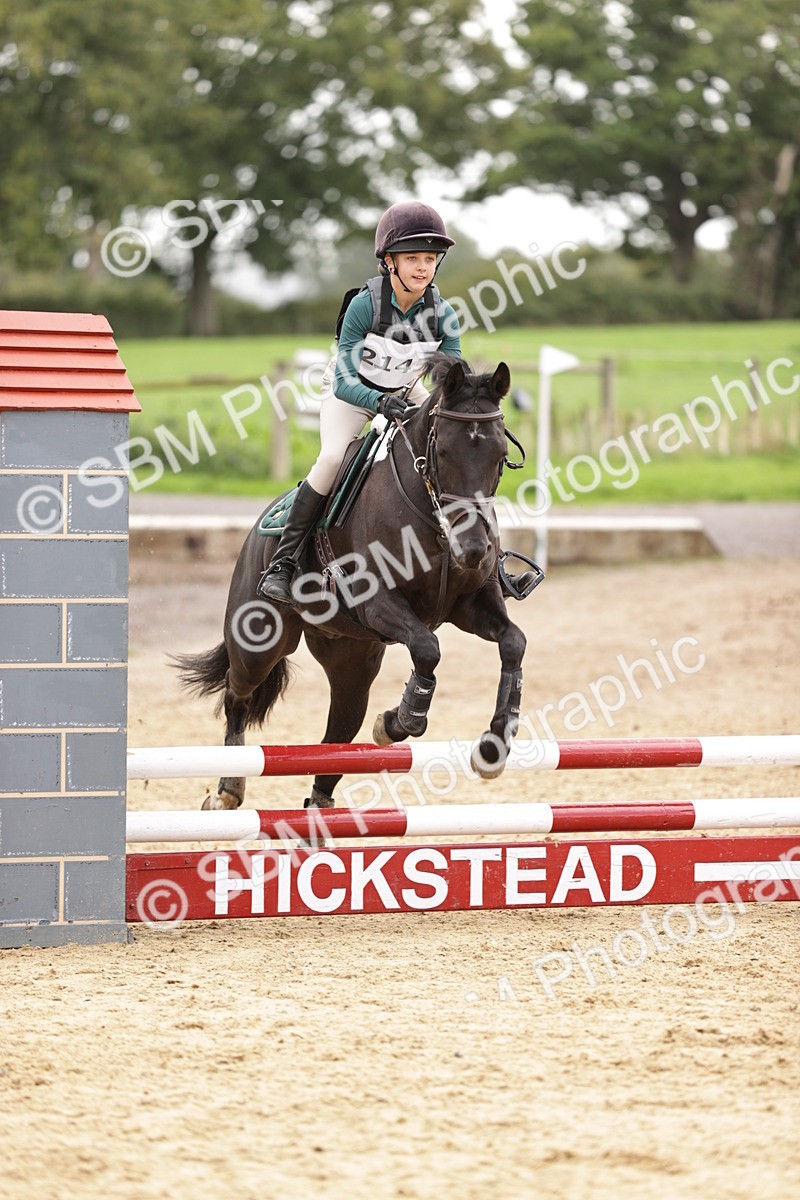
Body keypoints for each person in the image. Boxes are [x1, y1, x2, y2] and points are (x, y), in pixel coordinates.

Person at [258, 200, 459, 607]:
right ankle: (283, 562)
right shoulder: (365, 304)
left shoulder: (444, 314)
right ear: (389, 262)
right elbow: (347, 381)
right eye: (412, 258)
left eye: (430, 259)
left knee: (452, 446)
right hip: (351, 394)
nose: (423, 267)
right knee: (333, 458)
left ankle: (483, 557)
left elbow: (449, 380)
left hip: (405, 393)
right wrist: (379, 403)